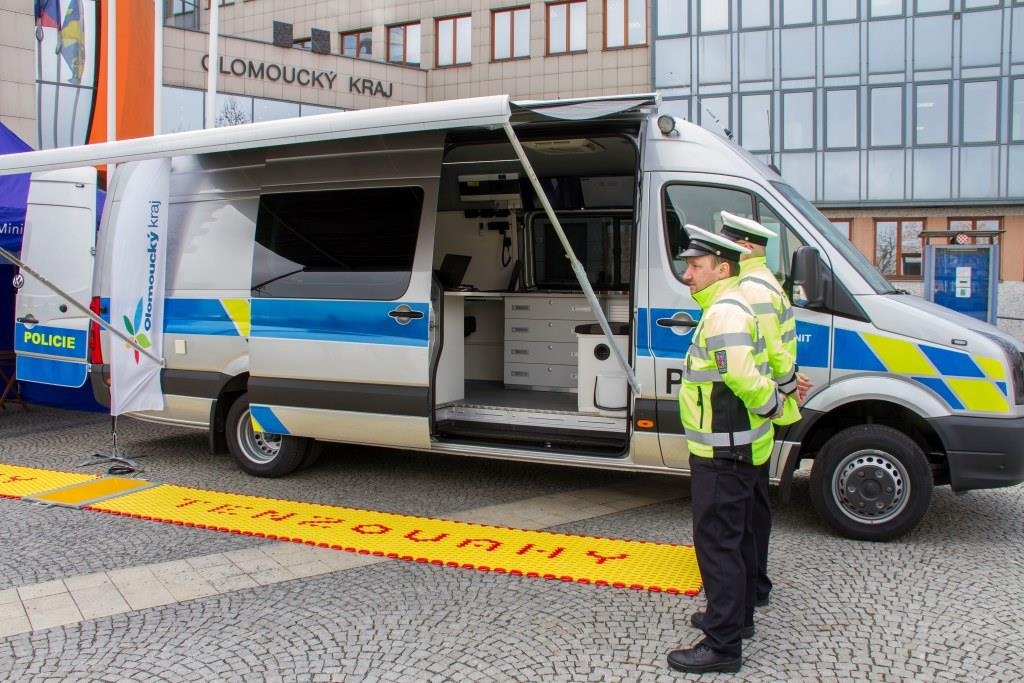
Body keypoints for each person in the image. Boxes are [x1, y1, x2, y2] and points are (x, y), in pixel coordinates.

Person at [667, 225, 784, 675]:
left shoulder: (725, 313)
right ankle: (734, 619)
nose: (687, 274)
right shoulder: (728, 305)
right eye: (688, 266)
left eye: (696, 266)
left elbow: (740, 376)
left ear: (723, 267)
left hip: (723, 452)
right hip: (732, 449)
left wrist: (772, 403)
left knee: (719, 545)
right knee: (734, 540)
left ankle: (722, 646)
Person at [709, 210, 811, 611]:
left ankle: (747, 596)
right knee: (755, 509)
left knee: (744, 517)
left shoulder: (749, 290)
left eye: (726, 245)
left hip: (751, 412)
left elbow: (760, 353)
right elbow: (778, 350)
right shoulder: (766, 282)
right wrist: (788, 383)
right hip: (765, 412)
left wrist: (784, 388)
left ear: (744, 247)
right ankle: (756, 588)